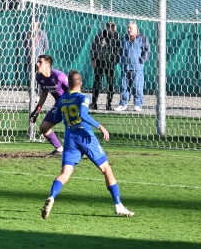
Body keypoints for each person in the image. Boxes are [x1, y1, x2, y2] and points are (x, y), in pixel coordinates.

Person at [41, 70, 135, 219]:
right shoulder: (83, 97)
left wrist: (65, 117)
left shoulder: (62, 98)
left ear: (69, 84)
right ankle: (119, 206)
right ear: (81, 83)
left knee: (65, 173)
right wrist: (100, 126)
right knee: (106, 169)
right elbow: (83, 114)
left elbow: (57, 118)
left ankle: (52, 196)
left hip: (70, 138)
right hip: (86, 137)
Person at [29, 55, 69, 157]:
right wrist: (37, 110)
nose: (37, 64)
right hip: (58, 105)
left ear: (48, 65)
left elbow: (75, 88)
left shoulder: (59, 76)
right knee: (44, 127)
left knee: (73, 129)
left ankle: (85, 149)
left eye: (40, 62)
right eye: (37, 62)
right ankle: (60, 150)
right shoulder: (40, 77)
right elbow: (44, 92)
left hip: (69, 105)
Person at [114, 21, 150, 112]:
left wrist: (141, 60)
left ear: (136, 29)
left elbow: (146, 50)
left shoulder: (143, 38)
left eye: (131, 28)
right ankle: (123, 104)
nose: (129, 30)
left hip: (137, 67)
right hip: (125, 67)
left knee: (137, 86)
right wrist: (120, 60)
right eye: (128, 28)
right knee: (124, 86)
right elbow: (120, 51)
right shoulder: (124, 39)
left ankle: (138, 104)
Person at [90, 21, 121, 110]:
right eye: (108, 26)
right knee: (97, 82)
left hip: (110, 62)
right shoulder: (99, 36)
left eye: (112, 26)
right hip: (99, 61)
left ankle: (109, 104)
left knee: (110, 83)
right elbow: (93, 47)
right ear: (106, 27)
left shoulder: (117, 37)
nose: (110, 28)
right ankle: (94, 102)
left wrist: (116, 60)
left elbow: (119, 50)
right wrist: (93, 59)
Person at [19, 16, 48, 87]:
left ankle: (39, 95)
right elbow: (25, 45)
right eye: (32, 21)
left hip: (39, 60)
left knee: (40, 77)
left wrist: (41, 55)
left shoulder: (42, 33)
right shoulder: (26, 33)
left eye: (35, 21)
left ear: (38, 23)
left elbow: (46, 46)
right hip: (29, 59)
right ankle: (30, 95)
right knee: (29, 78)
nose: (33, 23)